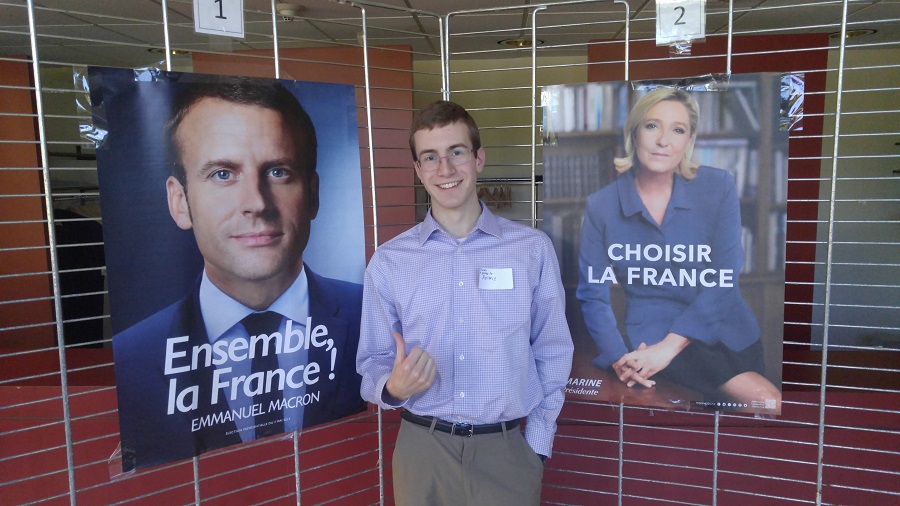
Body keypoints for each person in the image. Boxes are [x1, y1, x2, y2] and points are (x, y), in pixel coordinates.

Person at [113, 77, 365, 472]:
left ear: (313, 194)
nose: (256, 203)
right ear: (179, 202)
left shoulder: (371, 315)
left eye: (279, 171)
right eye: (223, 174)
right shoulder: (131, 357)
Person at [356, 100, 574, 505]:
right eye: (430, 158)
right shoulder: (390, 261)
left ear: (478, 159)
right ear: (419, 170)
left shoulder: (531, 250)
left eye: (456, 152)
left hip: (507, 452)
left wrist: (538, 444)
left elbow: (553, 349)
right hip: (423, 449)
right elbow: (372, 359)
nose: (445, 169)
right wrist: (393, 387)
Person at [576, 87, 781, 410]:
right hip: (654, 335)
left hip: (729, 331)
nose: (664, 140)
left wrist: (668, 348)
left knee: (757, 418)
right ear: (634, 132)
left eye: (678, 130)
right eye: (652, 126)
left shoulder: (718, 186)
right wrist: (619, 358)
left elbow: (725, 275)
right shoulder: (601, 205)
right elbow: (593, 295)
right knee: (765, 402)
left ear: (689, 140)